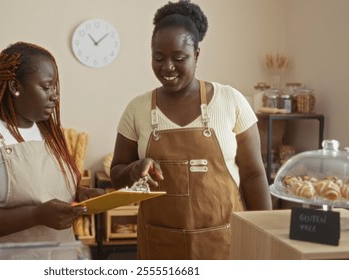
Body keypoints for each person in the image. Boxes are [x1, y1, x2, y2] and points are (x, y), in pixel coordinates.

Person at [110, 0, 272, 260]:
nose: (168, 67)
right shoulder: (137, 109)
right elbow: (117, 173)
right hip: (160, 245)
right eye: (159, 58)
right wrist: (134, 170)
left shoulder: (231, 101)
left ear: (197, 54)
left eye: (179, 58)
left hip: (224, 243)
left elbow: (253, 175)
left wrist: (265, 235)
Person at [0, 42, 104, 244]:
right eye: (46, 87)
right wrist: (35, 215)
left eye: (55, 87)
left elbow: (45, 190)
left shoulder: (49, 132)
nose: (55, 96)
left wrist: (81, 194)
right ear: (15, 86)